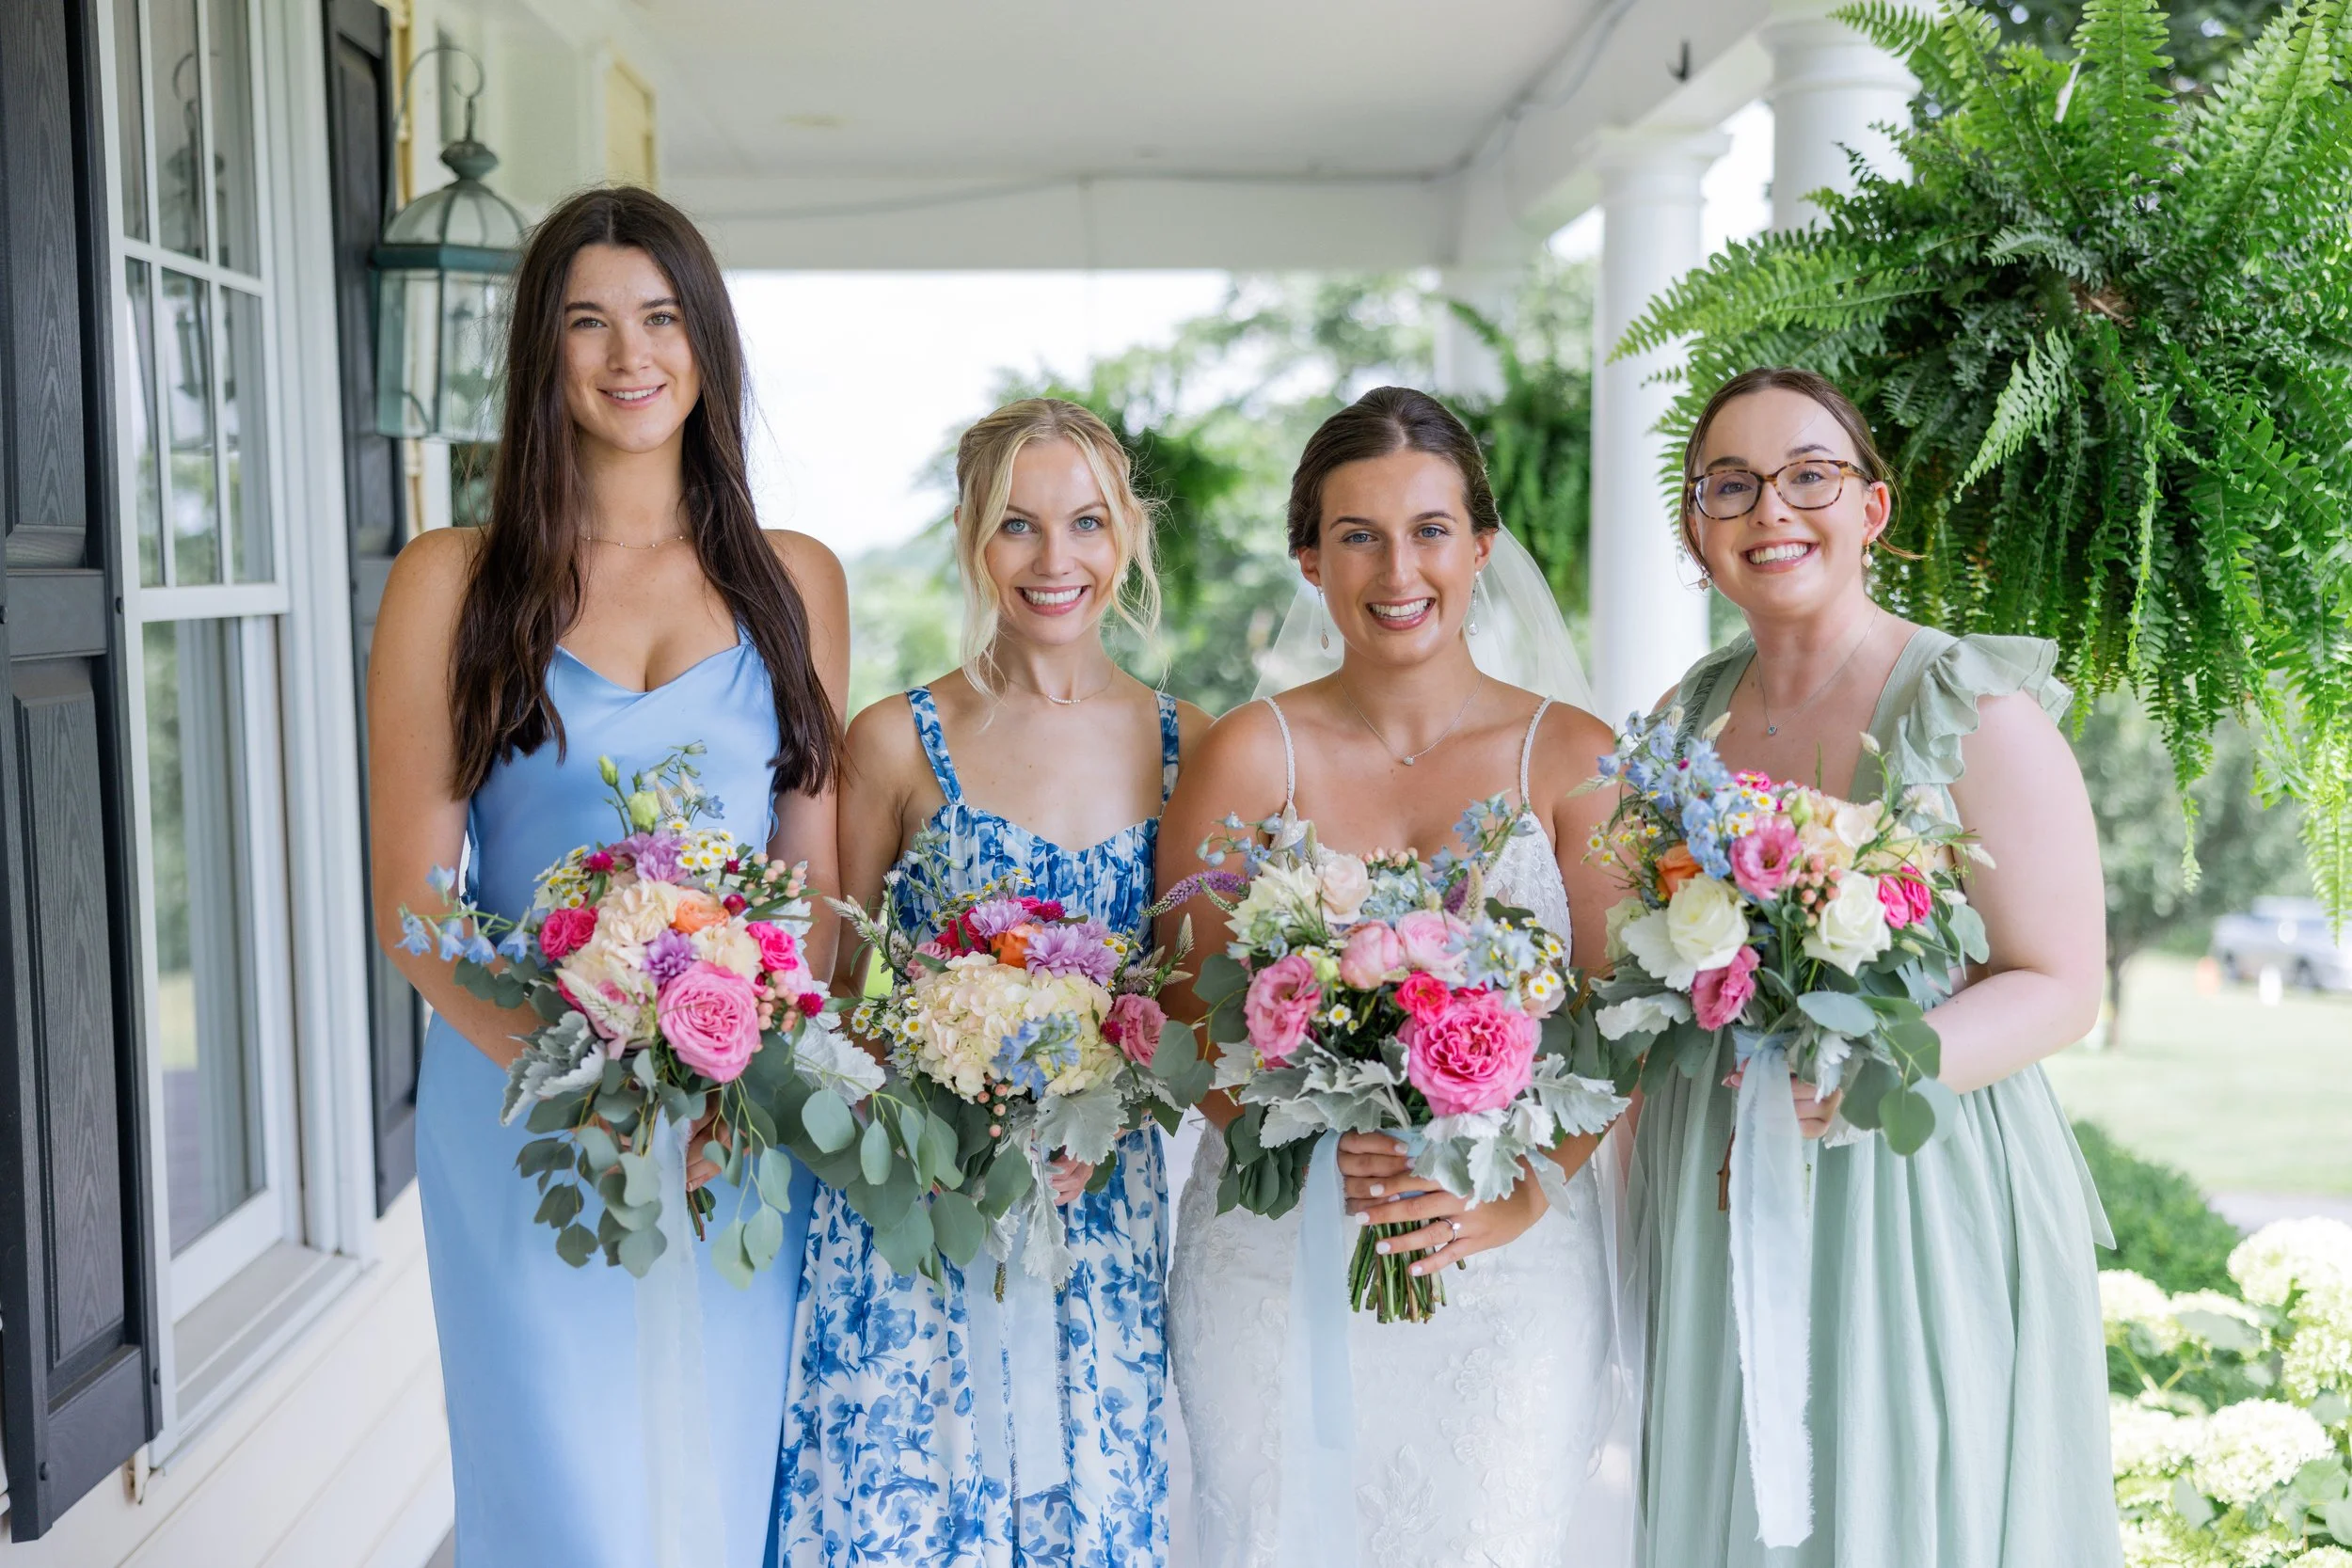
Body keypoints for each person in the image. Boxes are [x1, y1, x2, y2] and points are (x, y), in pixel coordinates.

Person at [368, 185, 847, 1567]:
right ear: (544, 352)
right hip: (529, 1115)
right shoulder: (453, 580)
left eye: (660, 316)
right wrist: (594, 1087)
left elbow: (808, 880)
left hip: (735, 1112)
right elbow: (416, 903)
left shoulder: (795, 578)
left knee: (720, 1478)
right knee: (565, 1496)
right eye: (588, 321)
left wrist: (738, 1085)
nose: (630, 354)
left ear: (706, 341)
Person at [1633, 366, 2122, 1567]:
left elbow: (2061, 980)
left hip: (1910, 1171)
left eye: (1808, 476)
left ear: (1872, 507)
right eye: (1729, 485)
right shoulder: (1685, 715)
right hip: (1721, 1160)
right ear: (1696, 528)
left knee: (1894, 1492)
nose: (1770, 509)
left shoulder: (1965, 704)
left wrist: (1867, 1074)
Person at [1157, 387, 1640, 1567]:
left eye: (1428, 529)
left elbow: (1619, 1017)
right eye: (1357, 536)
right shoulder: (1247, 753)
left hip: (1506, 1261)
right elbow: (1183, 1011)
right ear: (1310, 560)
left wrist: (1521, 1190)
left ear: (1481, 546)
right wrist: (1310, 1135)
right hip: (1275, 1255)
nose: (1396, 570)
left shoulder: (1572, 756)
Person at [775, 398, 1210, 1567]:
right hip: (919, 1212)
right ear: (972, 536)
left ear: (1127, 533)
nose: (1053, 558)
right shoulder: (894, 740)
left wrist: (1112, 1112)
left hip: (1093, 1215)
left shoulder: (1190, 745)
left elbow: (1195, 1008)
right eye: (1018, 523)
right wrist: (925, 1113)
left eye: (1084, 521)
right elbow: (833, 994)